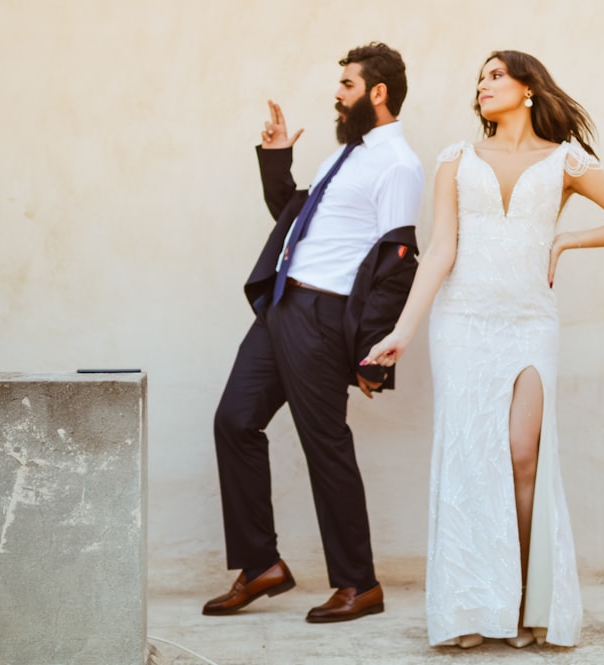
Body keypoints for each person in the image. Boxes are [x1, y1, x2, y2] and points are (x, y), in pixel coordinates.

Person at [363, 50, 604, 647]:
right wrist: (404, 330)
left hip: (529, 322)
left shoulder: (566, 161)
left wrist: (569, 239)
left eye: (496, 75)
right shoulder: (455, 159)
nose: (484, 85)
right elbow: (441, 249)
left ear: (528, 88)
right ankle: (471, 610)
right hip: (462, 323)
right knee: (470, 460)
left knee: (525, 457)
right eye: (480, 78)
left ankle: (527, 605)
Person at [203, 43, 424, 624]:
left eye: (347, 85)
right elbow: (293, 217)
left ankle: (359, 583)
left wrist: (372, 355)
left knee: (324, 446)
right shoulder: (343, 156)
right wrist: (276, 159)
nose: (337, 93)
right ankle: (260, 565)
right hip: (282, 305)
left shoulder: (398, 164)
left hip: (324, 320)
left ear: (378, 92)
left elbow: (398, 264)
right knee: (234, 421)